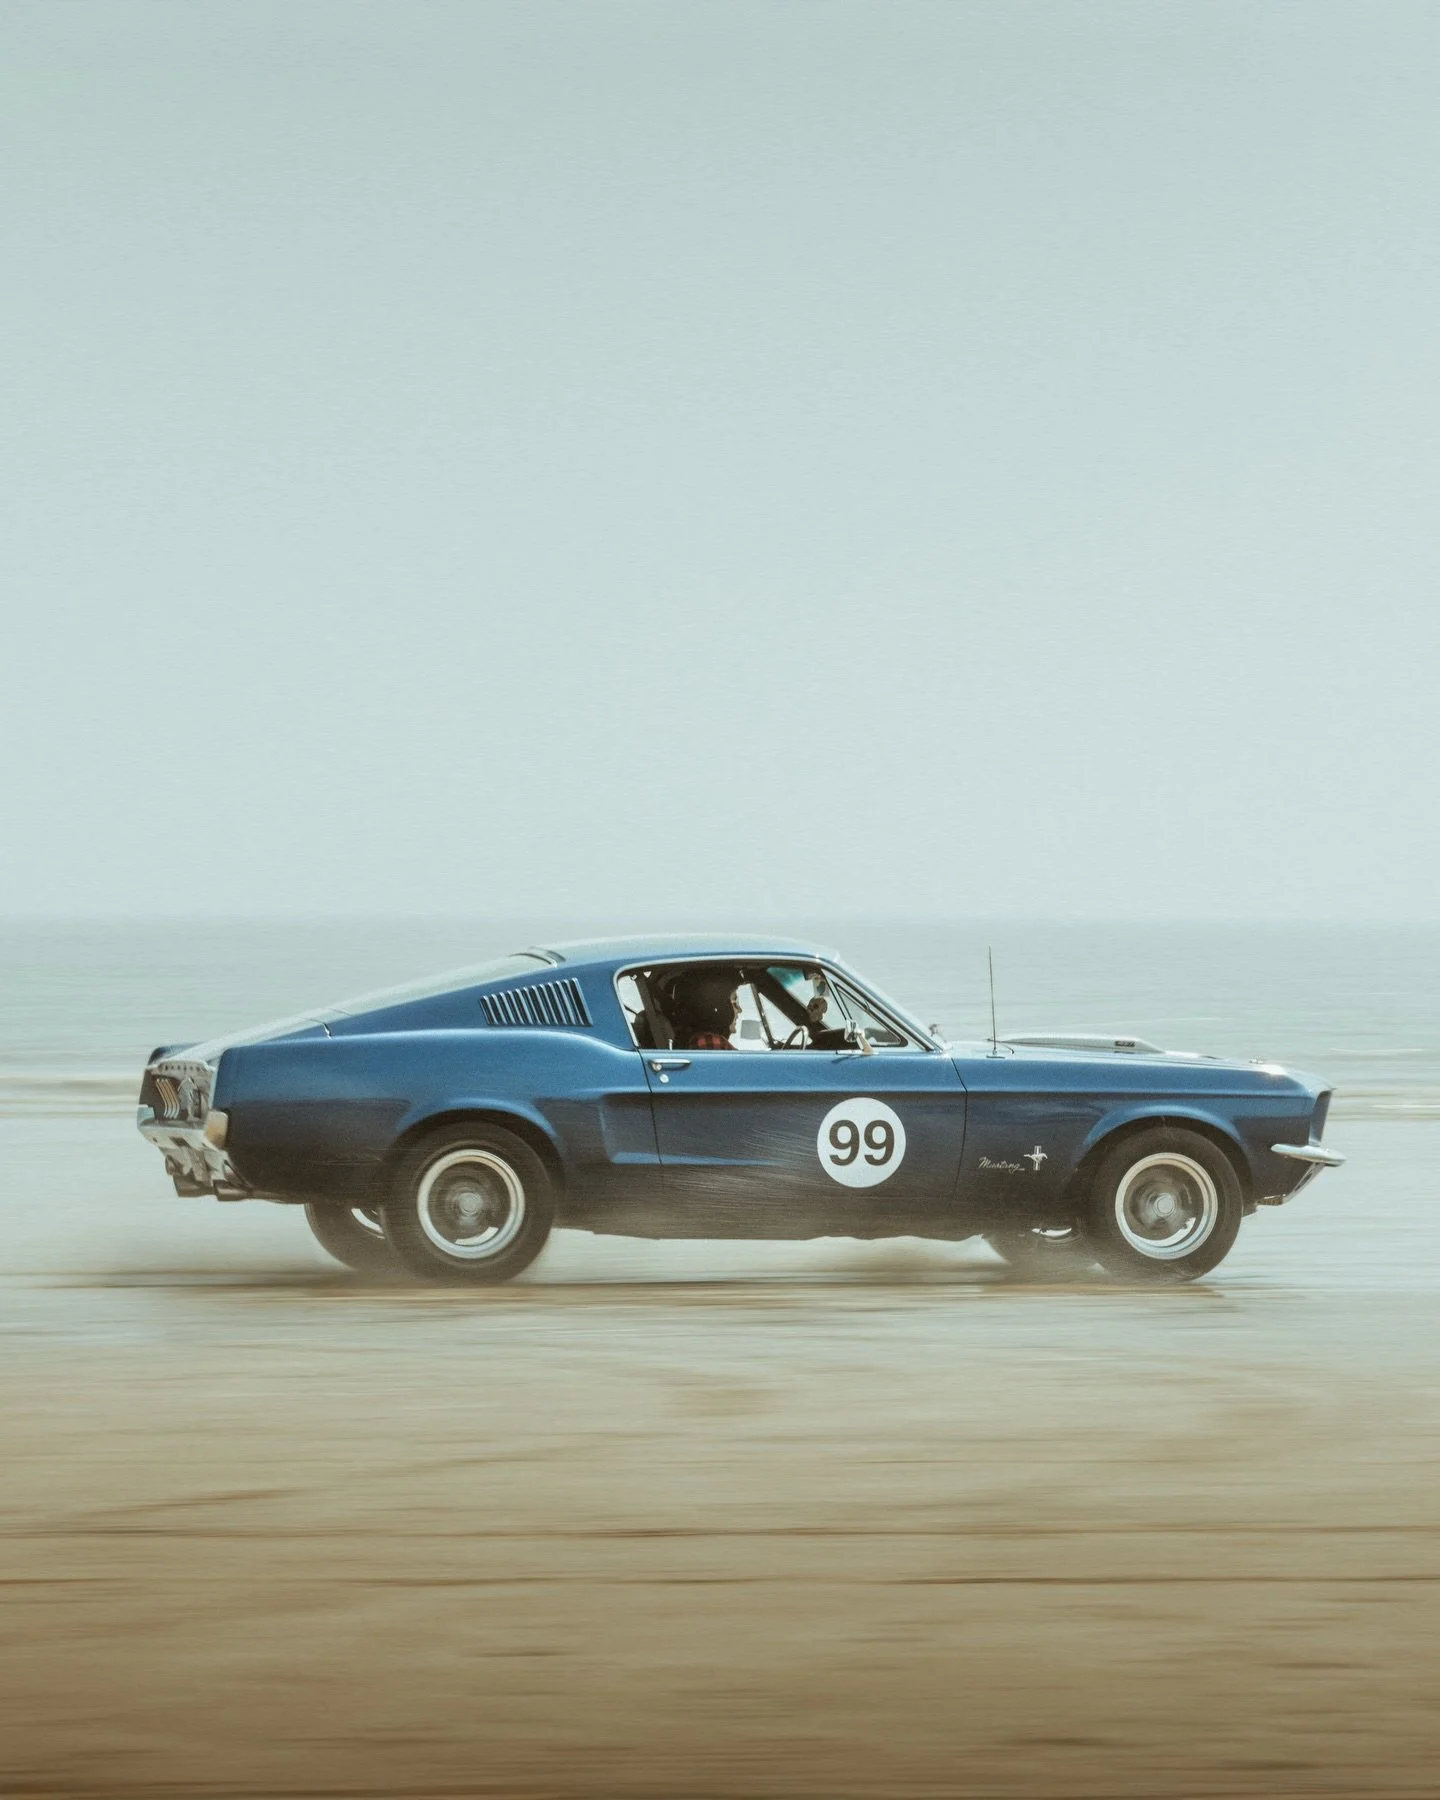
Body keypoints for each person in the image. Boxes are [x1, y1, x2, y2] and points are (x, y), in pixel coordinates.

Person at [669, 969, 740, 1050]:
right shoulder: (710, 1043)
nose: (739, 1010)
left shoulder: (705, 1040)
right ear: (719, 1008)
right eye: (735, 1003)